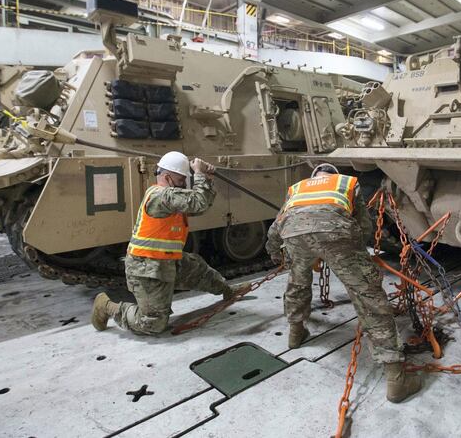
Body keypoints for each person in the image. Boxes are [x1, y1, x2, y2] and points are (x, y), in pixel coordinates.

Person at [265, 163, 421, 403]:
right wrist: (351, 251)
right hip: (335, 232)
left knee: (298, 280)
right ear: (332, 175)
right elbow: (364, 224)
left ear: (315, 176)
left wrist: (275, 251)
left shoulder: (298, 188)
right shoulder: (346, 183)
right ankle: (395, 379)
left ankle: (295, 333)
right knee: (369, 297)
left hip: (294, 233)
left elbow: (277, 225)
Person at [91, 151, 237, 335]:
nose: (184, 183)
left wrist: (206, 178)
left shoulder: (170, 198)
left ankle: (228, 290)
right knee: (153, 324)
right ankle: (106, 306)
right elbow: (198, 202)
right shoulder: (161, 196)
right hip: (146, 267)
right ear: (167, 177)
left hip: (167, 260)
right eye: (181, 179)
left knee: (200, 271)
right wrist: (199, 174)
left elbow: (200, 206)